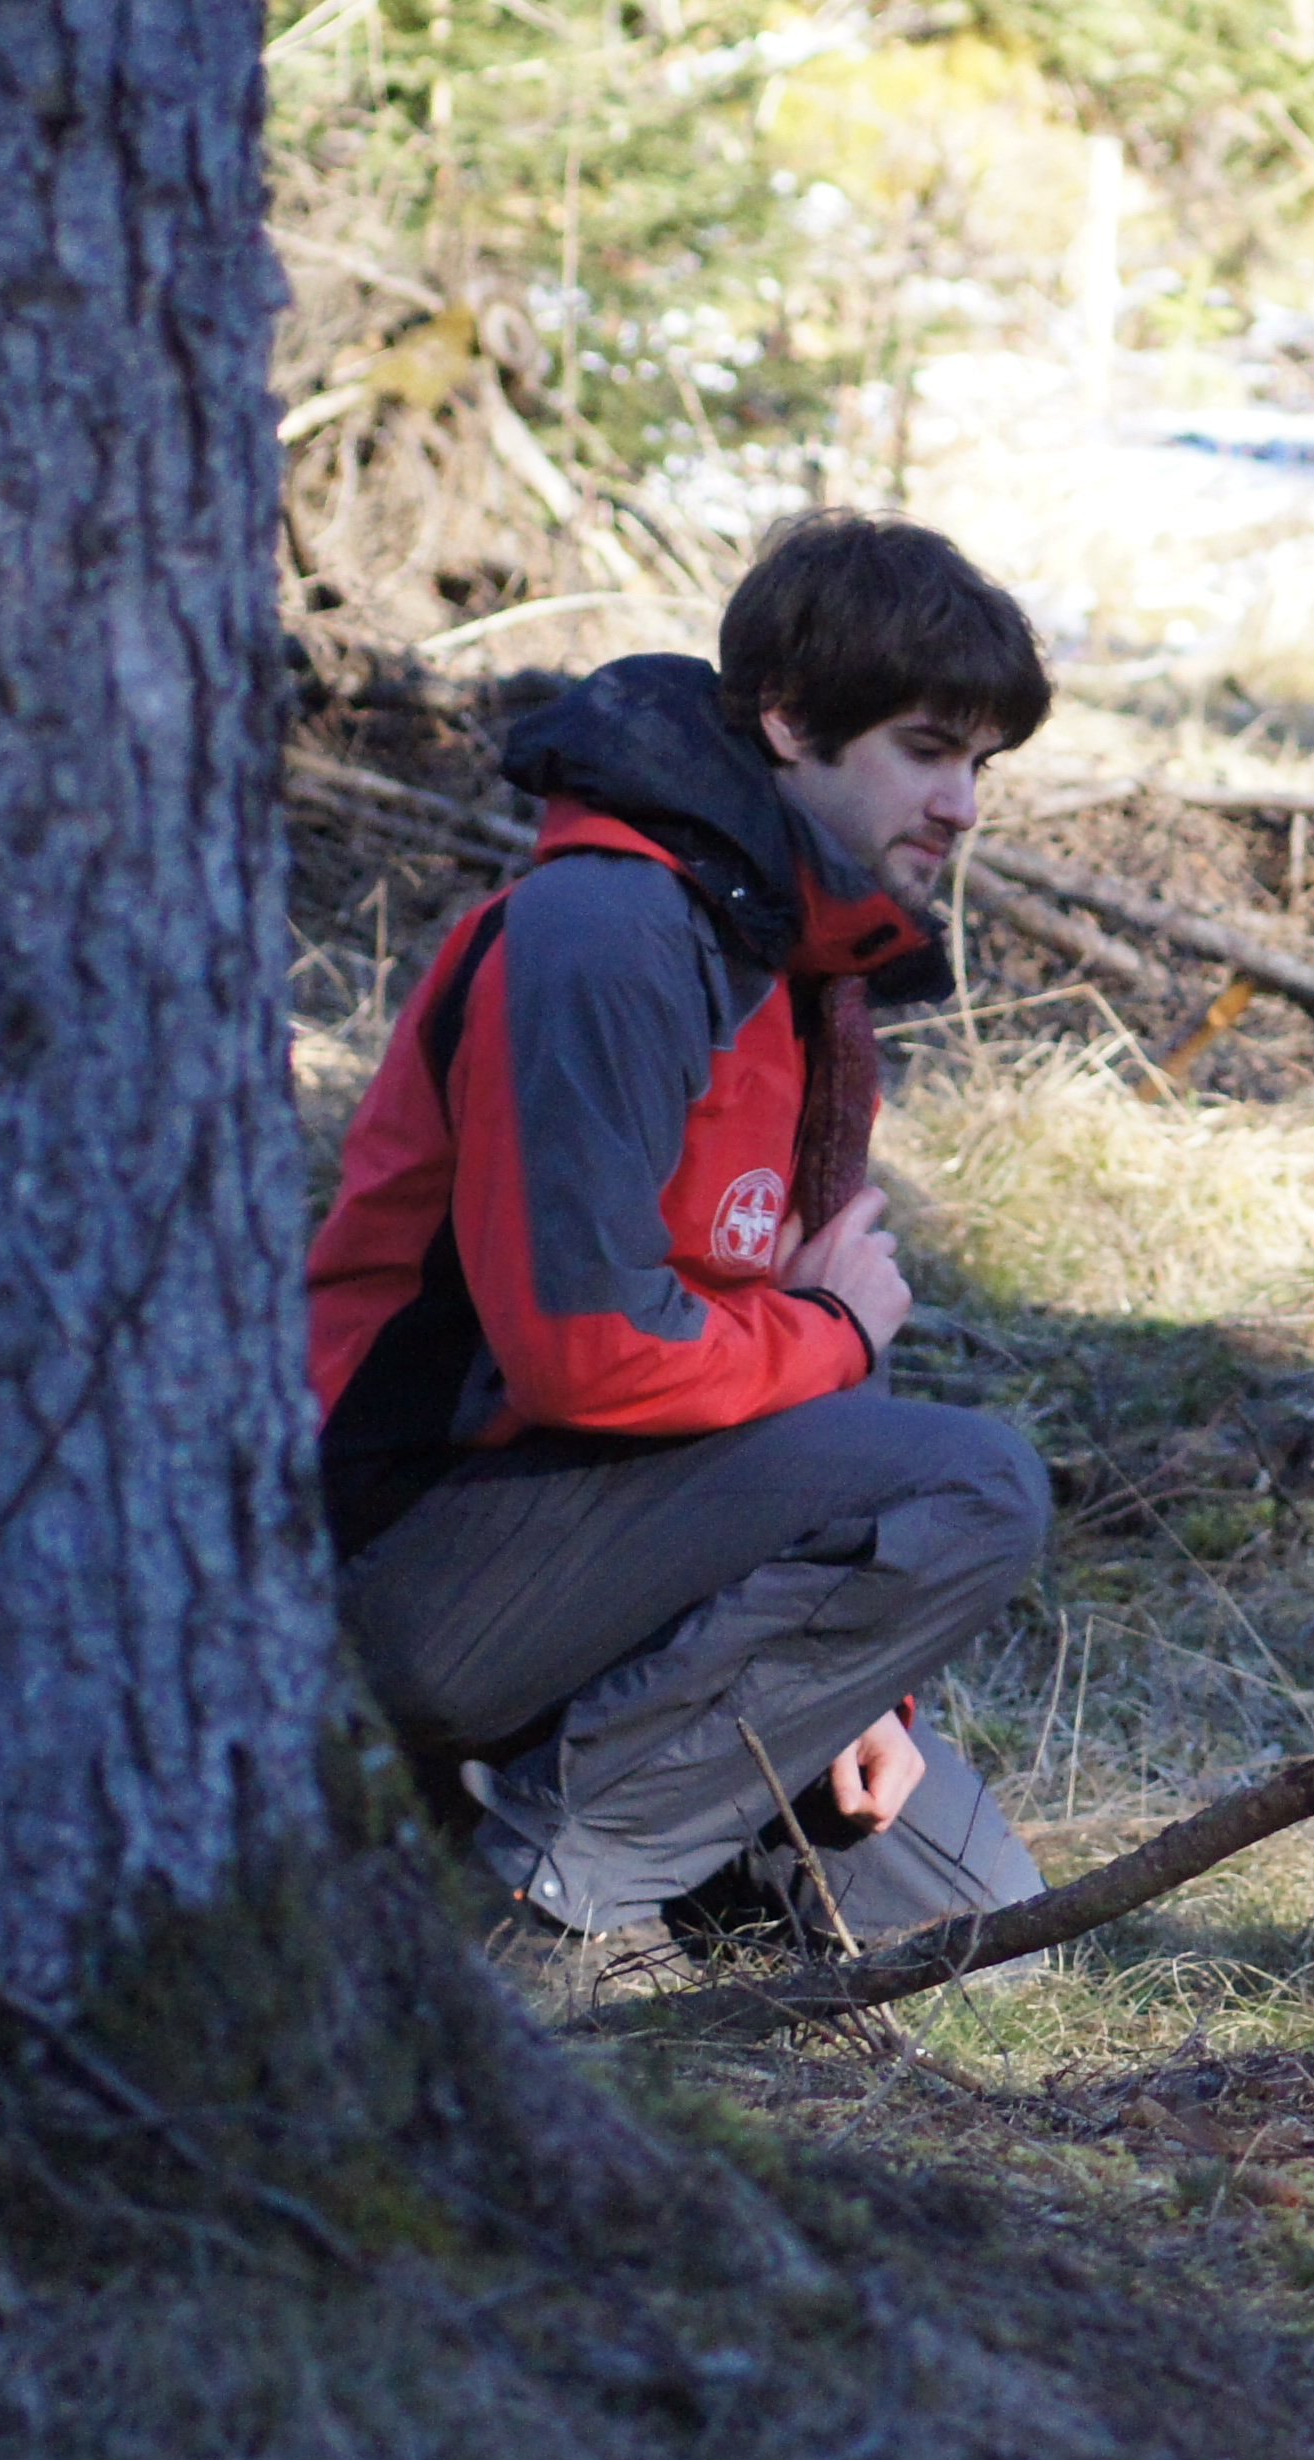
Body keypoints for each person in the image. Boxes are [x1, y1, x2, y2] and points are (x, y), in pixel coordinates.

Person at [307, 510, 1058, 1980]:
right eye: (926, 751)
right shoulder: (606, 937)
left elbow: (779, 1403)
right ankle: (537, 1907)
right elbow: (589, 1353)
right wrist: (833, 1334)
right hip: (409, 1570)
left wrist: (849, 1679)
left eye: (983, 765)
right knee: (979, 1482)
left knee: (977, 1937)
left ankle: (523, 1827)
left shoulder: (800, 963)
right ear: (787, 719)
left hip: (611, 1560)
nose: (963, 806)